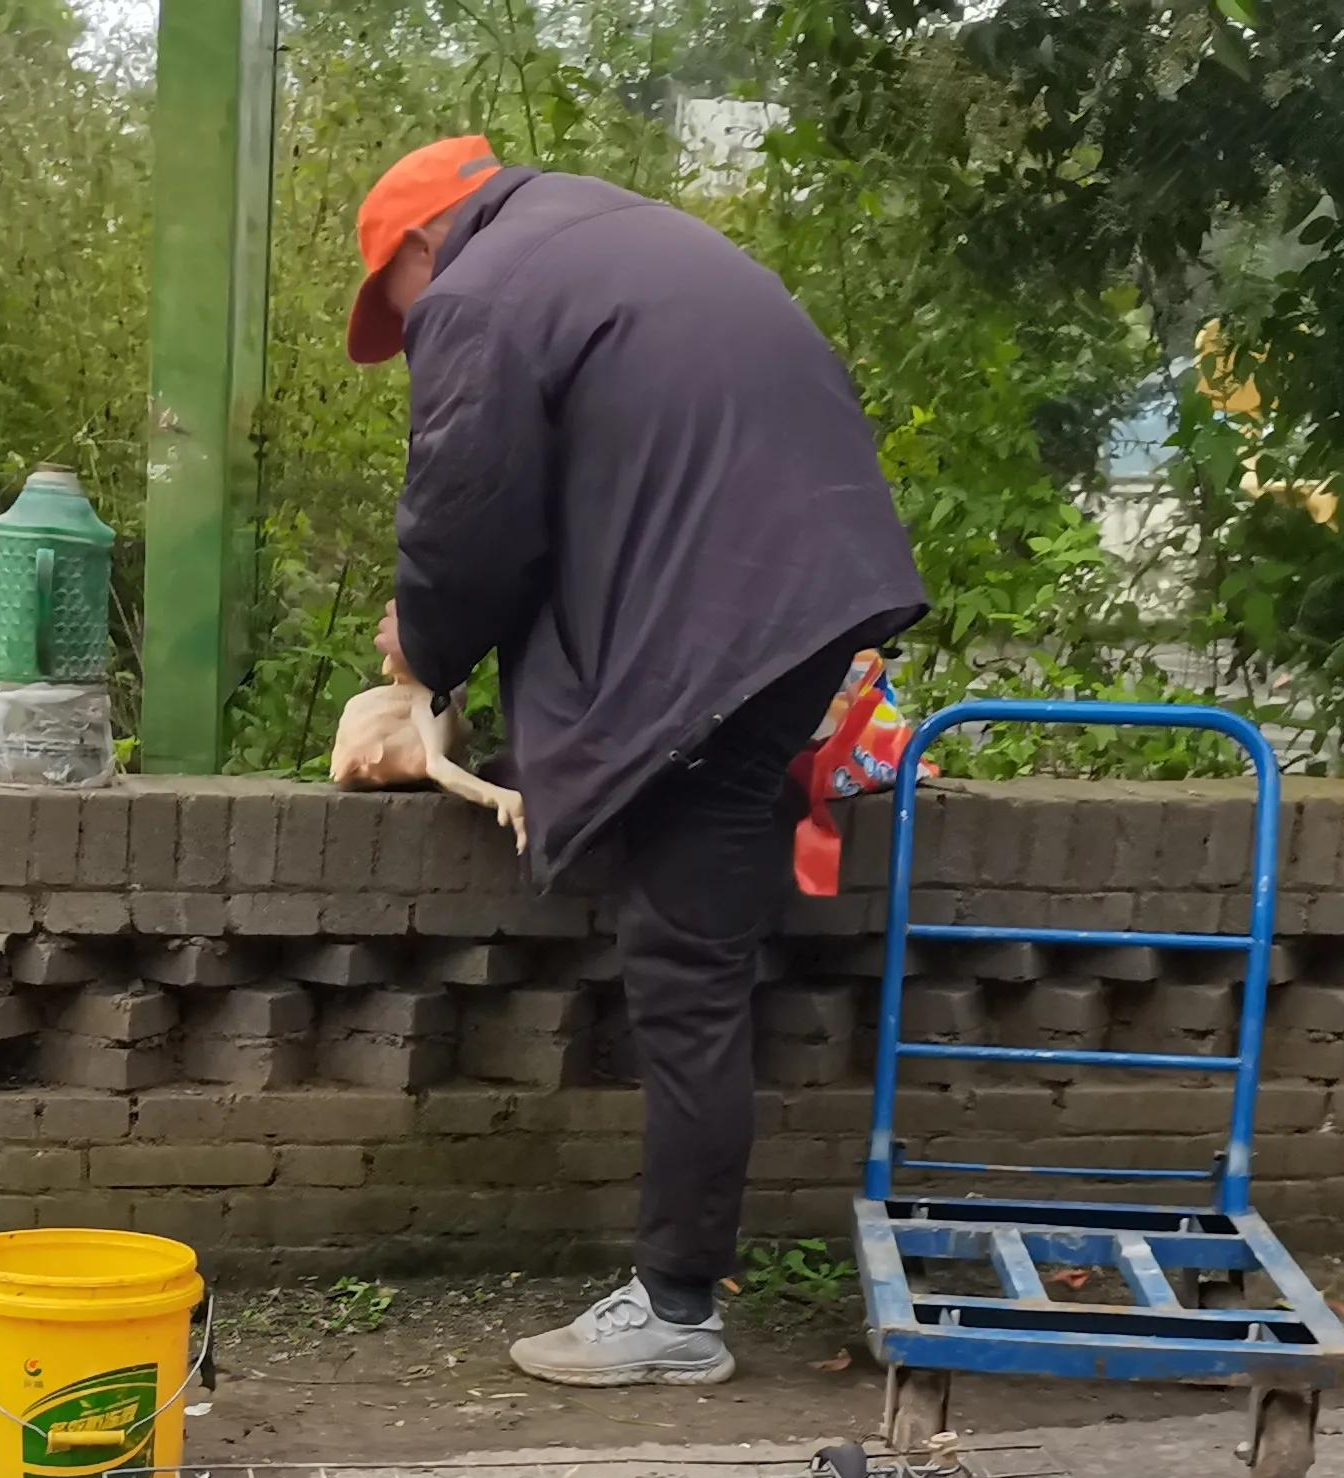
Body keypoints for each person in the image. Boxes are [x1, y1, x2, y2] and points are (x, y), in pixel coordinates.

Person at [352, 135, 925, 1388]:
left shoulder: (479, 294)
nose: (403, 335)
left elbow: (468, 519)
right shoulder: (616, 236)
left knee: (683, 964)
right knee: (700, 940)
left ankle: (675, 1310)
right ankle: (679, 1299)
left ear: (413, 249)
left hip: (726, 628)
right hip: (804, 603)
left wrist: (422, 652)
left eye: (389, 310)